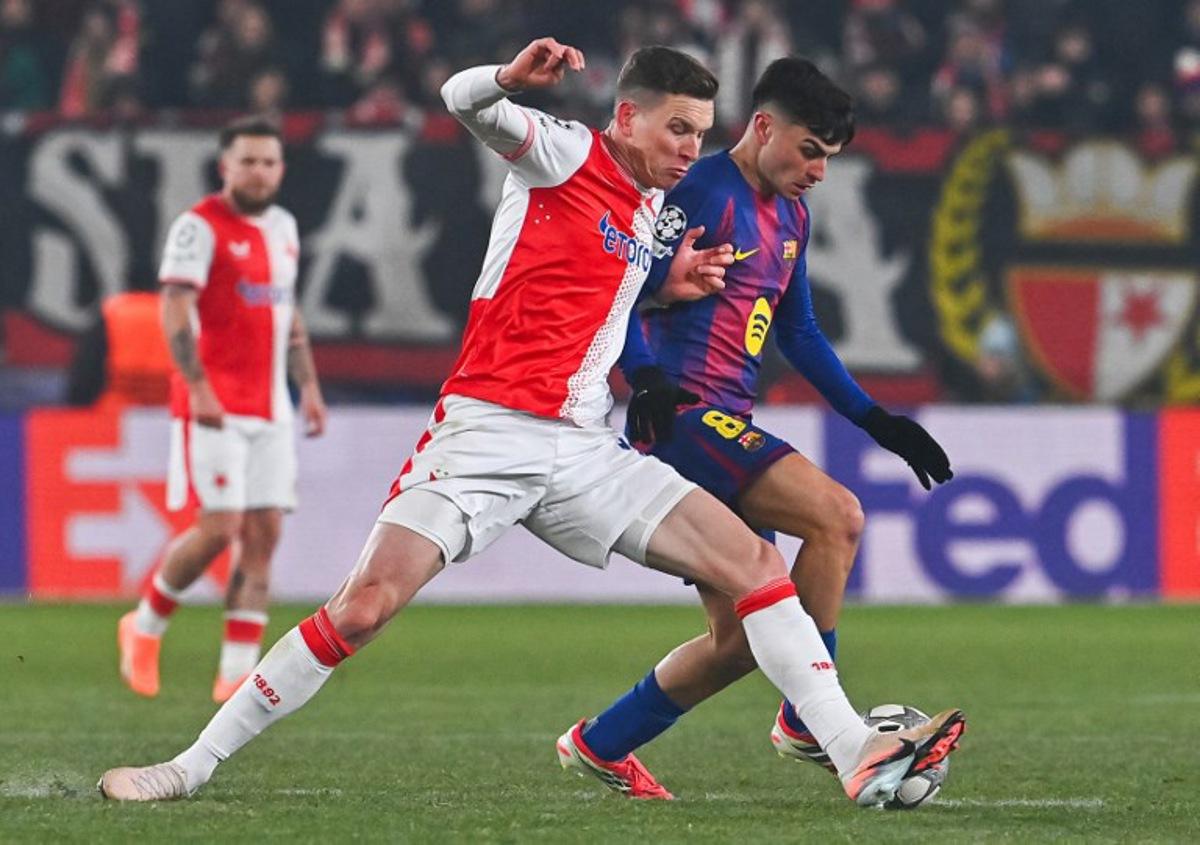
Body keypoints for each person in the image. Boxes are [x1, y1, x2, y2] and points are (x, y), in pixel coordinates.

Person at [99, 38, 963, 807]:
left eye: (700, 132)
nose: (690, 149)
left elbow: (603, 292)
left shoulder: (655, 211)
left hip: (586, 447)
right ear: (627, 117)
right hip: (485, 433)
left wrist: (669, 285)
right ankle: (192, 764)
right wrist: (508, 78)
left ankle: (851, 747)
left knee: (757, 562)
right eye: (675, 129)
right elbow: (463, 102)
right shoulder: (563, 153)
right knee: (362, 609)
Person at [556, 57, 957, 800]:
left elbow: (799, 333)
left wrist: (877, 420)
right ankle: (812, 720)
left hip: (725, 422)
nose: (819, 171)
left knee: (740, 641)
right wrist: (641, 375)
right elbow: (624, 289)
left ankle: (601, 742)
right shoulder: (702, 189)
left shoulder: (792, 216)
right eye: (810, 150)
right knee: (837, 517)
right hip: (680, 417)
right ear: (765, 126)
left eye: (829, 159)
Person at [115, 115, 327, 705]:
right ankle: (145, 623)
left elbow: (287, 313)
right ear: (224, 166)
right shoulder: (198, 228)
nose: (258, 171)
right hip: (214, 406)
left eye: (268, 161)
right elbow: (175, 310)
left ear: (280, 169)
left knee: (264, 535)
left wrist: (307, 387)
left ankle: (235, 673)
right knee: (219, 528)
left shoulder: (284, 227)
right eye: (247, 161)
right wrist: (198, 387)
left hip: (272, 411)